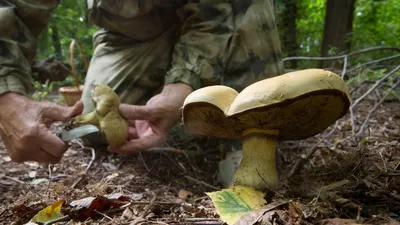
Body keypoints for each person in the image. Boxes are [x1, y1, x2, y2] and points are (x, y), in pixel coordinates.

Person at [0, 0, 284, 164]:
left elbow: (217, 8)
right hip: (129, 35)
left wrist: (183, 81)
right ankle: (188, 121)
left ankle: (245, 144)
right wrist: (6, 97)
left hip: (220, 15)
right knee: (97, 128)